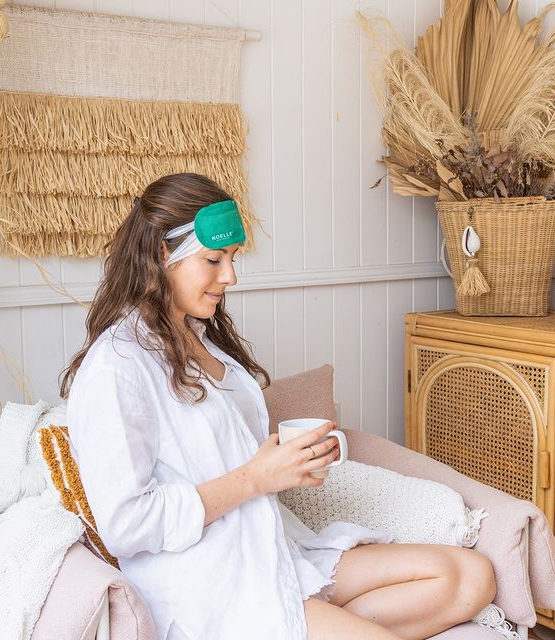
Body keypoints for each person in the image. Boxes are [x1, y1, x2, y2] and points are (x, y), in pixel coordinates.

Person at [61, 173, 496, 640]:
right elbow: (126, 525)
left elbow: (232, 459)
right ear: (162, 255)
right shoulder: (117, 367)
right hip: (213, 584)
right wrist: (254, 479)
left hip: (274, 547)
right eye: (213, 259)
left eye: (231, 258)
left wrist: (290, 466)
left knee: (471, 577)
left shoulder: (199, 336)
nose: (229, 276)